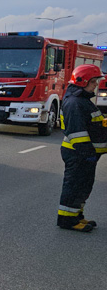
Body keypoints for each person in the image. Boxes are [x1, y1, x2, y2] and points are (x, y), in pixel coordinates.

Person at [57, 64, 107, 232]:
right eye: (93, 82)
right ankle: (67, 220)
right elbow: (77, 132)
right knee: (74, 186)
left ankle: (76, 215)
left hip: (85, 154)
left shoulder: (82, 100)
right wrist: (87, 154)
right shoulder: (75, 103)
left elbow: (90, 123)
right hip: (79, 154)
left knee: (84, 186)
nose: (96, 85)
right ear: (82, 81)